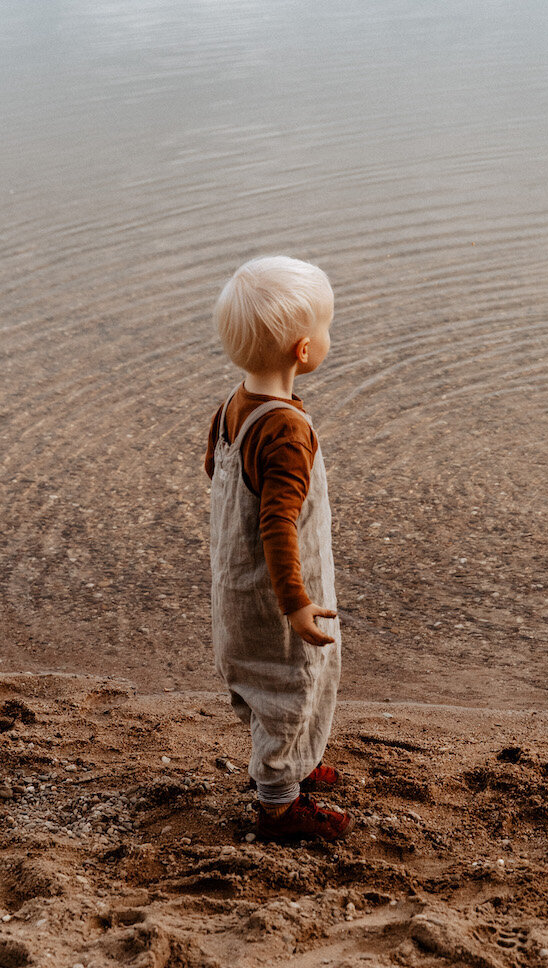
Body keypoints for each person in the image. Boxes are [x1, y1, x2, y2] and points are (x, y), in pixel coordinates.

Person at [205, 255, 351, 842]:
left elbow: (218, 477)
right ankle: (280, 804)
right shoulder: (288, 430)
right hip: (275, 599)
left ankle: (300, 759)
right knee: (293, 684)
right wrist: (295, 603)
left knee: (271, 688)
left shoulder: (234, 408)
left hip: (234, 591)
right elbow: (278, 526)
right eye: (326, 330)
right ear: (303, 351)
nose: (327, 339)